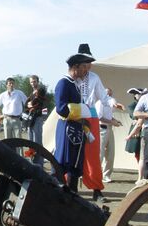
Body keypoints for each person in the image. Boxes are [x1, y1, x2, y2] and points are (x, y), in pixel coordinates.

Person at [70, 43, 124, 200]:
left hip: (91, 115)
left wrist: (113, 103)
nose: (88, 66)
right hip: (74, 114)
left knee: (93, 154)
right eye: (84, 63)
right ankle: (71, 187)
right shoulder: (71, 77)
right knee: (72, 151)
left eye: (89, 62)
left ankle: (96, 189)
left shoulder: (94, 78)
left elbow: (104, 97)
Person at [53, 54, 97, 190]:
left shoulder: (75, 84)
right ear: (75, 67)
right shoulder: (64, 83)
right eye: (83, 67)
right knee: (65, 163)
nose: (86, 70)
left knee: (74, 163)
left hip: (76, 129)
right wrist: (80, 113)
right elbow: (61, 108)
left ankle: (72, 194)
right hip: (68, 128)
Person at [96, 87, 121, 184]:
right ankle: (97, 174)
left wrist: (114, 121)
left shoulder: (110, 104)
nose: (109, 96)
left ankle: (106, 175)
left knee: (110, 153)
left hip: (109, 128)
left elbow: (108, 116)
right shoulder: (100, 103)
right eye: (107, 94)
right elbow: (99, 117)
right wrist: (111, 121)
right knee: (100, 154)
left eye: (110, 94)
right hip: (101, 129)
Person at [24, 75, 47, 164]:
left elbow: (36, 103)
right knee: (31, 142)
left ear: (38, 81)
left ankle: (39, 164)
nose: (33, 83)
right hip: (31, 119)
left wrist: (30, 104)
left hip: (38, 118)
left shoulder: (41, 90)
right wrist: (29, 104)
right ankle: (33, 163)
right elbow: (26, 104)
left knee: (37, 142)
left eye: (34, 81)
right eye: (31, 82)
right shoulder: (32, 93)